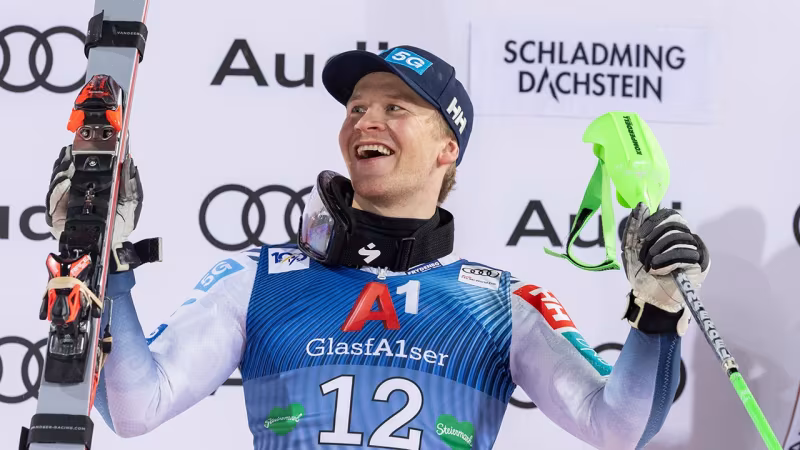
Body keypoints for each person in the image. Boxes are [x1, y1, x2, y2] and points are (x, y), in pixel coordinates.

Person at [46, 45, 710, 449]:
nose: (366, 119)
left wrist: (657, 312)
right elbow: (134, 408)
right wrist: (106, 266)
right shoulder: (259, 278)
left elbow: (617, 427)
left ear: (448, 149)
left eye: (396, 109)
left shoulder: (502, 303)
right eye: (357, 108)